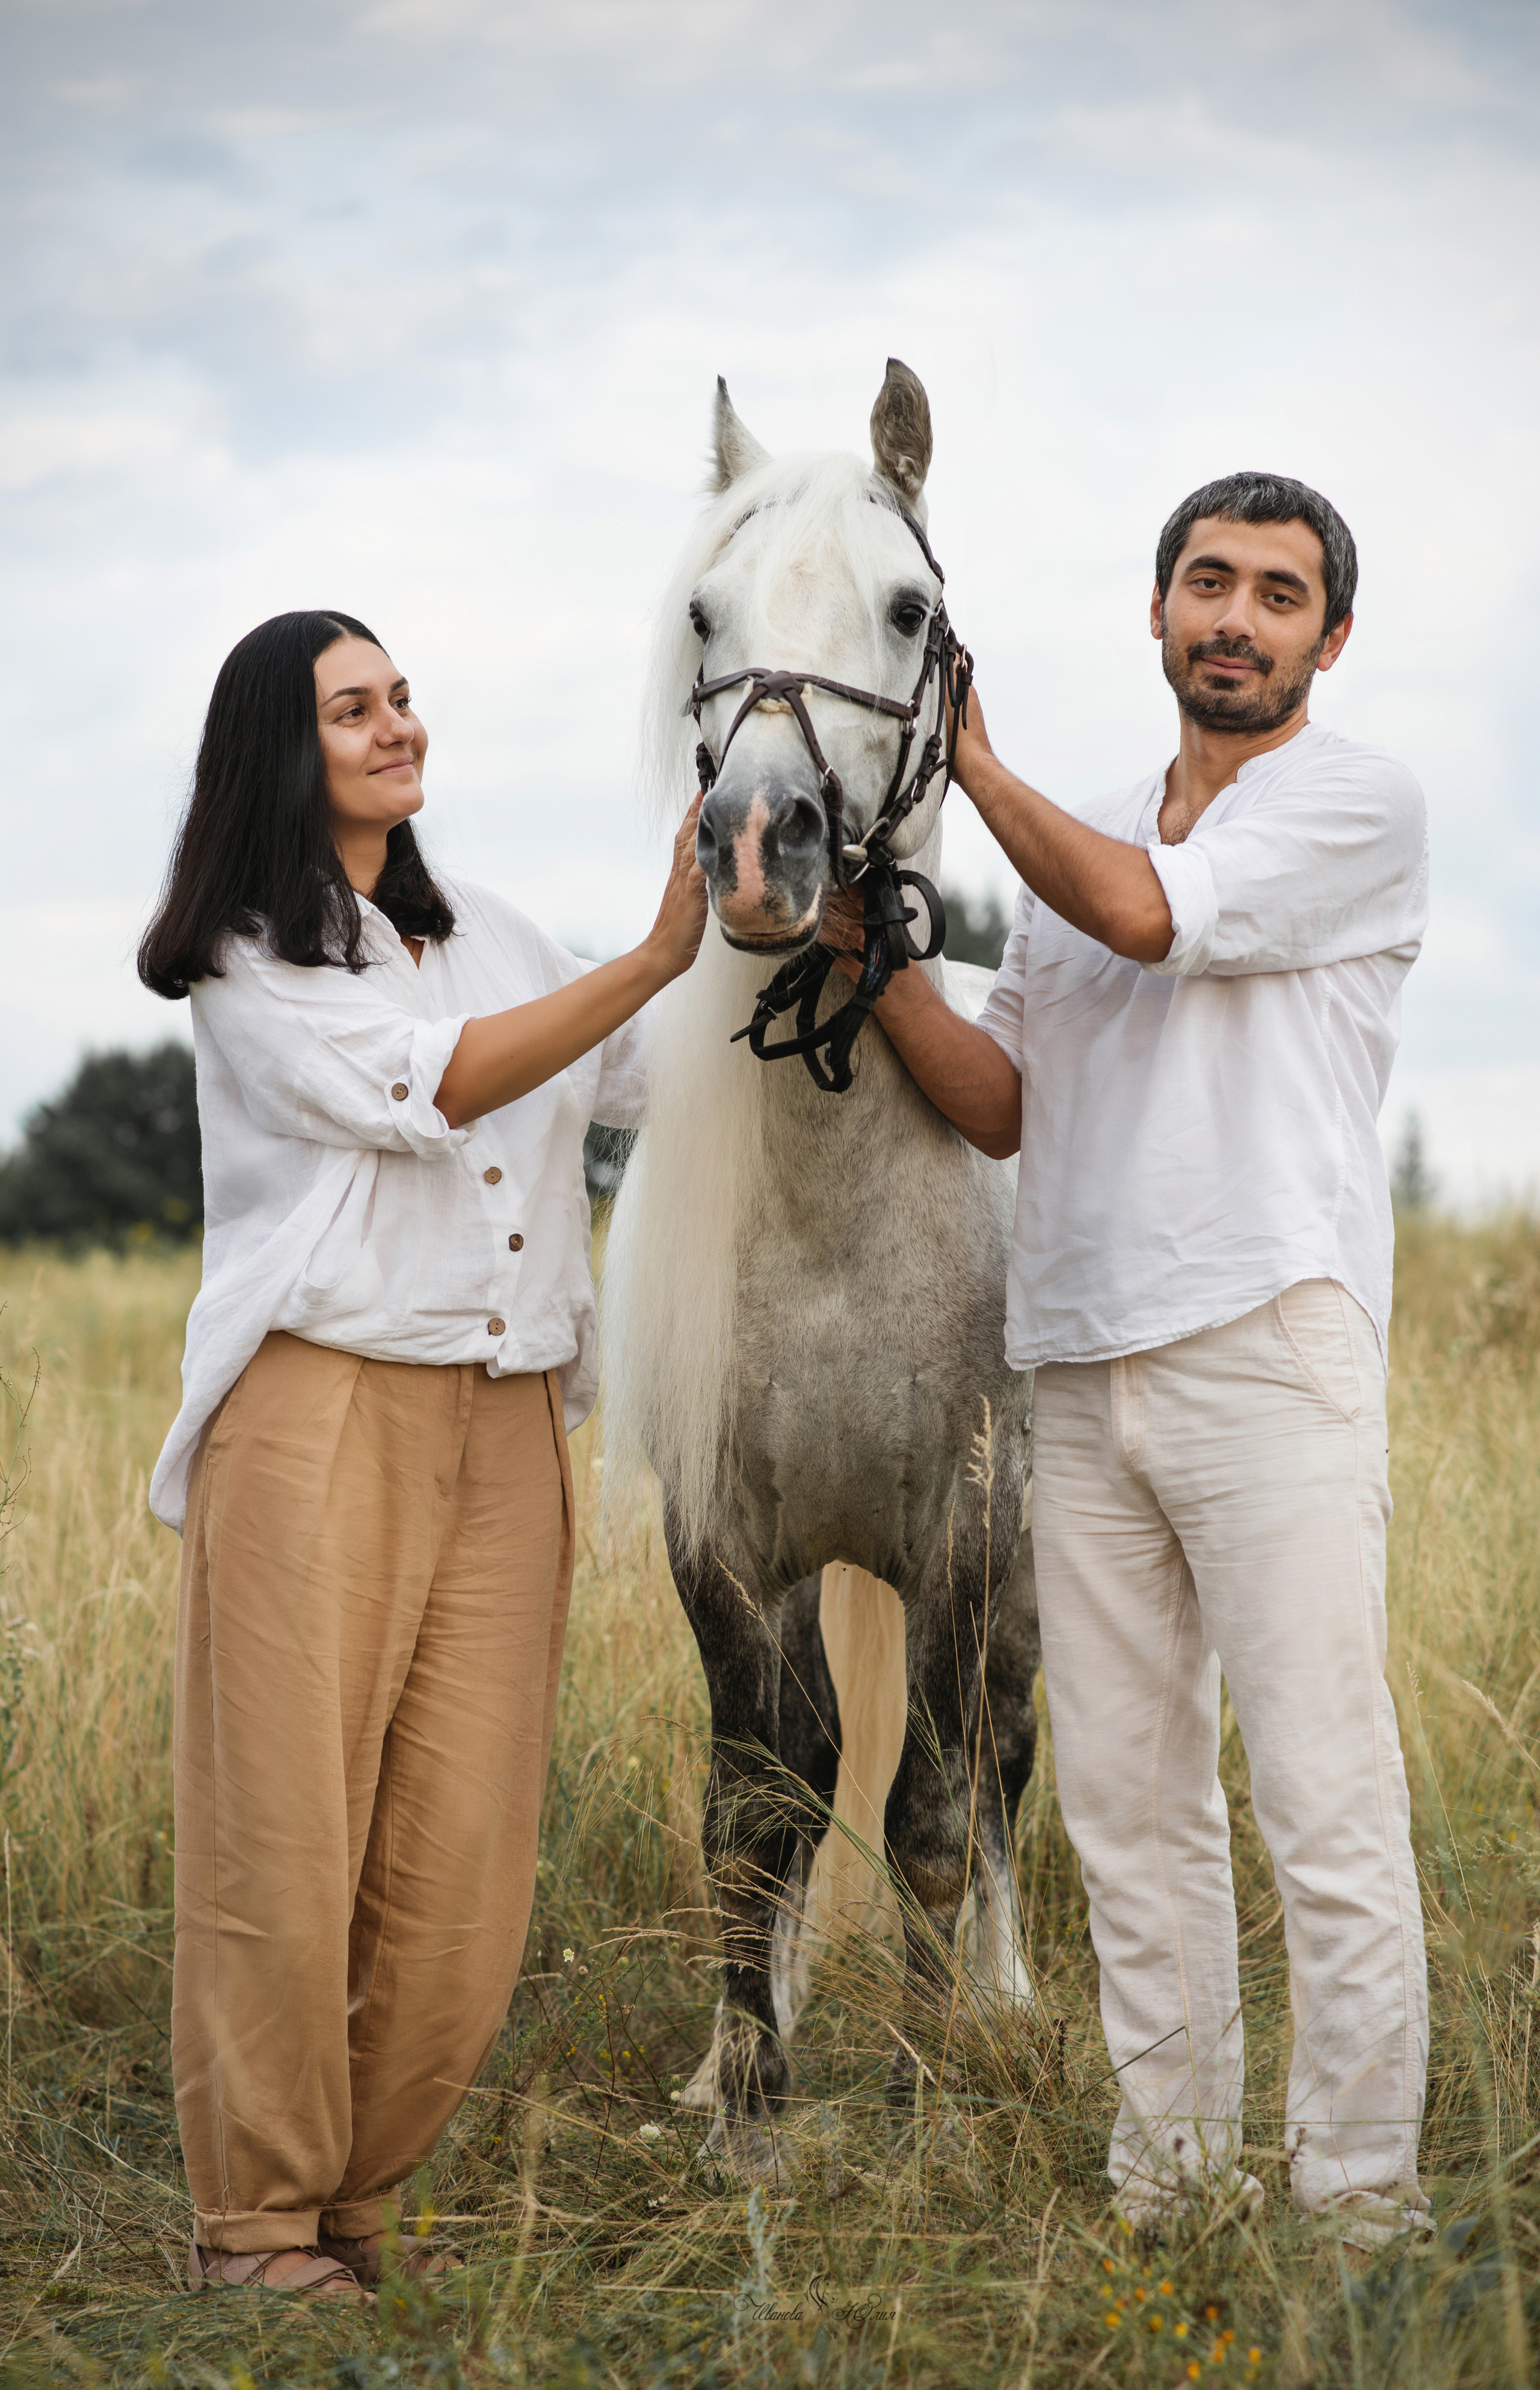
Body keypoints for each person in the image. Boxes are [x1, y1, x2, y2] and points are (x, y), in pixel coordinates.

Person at [827, 473, 1431, 2249]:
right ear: (1157, 610)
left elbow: (1158, 917)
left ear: (1330, 637)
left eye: (1279, 594)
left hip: (1268, 1351)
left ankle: (1360, 2208)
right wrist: (880, 968)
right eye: (1208, 583)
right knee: (1126, 1809)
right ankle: (1171, 2186)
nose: (1237, 618)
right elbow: (1008, 1105)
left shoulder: (1352, 803)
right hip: (1080, 1374)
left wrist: (973, 771)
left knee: (1324, 1797)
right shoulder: (1080, 834)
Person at [139, 610, 705, 2299]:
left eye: (401, 698)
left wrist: (778, 939)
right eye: (353, 709)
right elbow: (434, 1087)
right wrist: (659, 951)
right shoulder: (251, 958)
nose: (399, 727)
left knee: (464, 1857)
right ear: (280, 747)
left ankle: (356, 2203)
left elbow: (642, 1084)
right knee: (286, 1840)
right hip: (320, 1412)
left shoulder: (501, 930)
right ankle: (254, 2226)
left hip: (511, 1422)